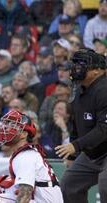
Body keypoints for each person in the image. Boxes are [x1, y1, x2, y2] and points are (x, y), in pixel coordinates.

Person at [0, 110, 63, 202]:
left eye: (13, 125)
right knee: (1, 184)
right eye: (7, 124)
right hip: (42, 199)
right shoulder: (25, 153)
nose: (6, 128)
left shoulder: (25, 156)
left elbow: (25, 195)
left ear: (24, 134)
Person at [55, 48, 107, 202]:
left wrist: (75, 146)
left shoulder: (104, 89)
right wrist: (71, 155)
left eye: (83, 65)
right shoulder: (80, 90)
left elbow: (104, 128)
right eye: (76, 64)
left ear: (98, 70)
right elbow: (75, 123)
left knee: (106, 185)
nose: (77, 68)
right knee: (68, 185)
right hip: (93, 153)